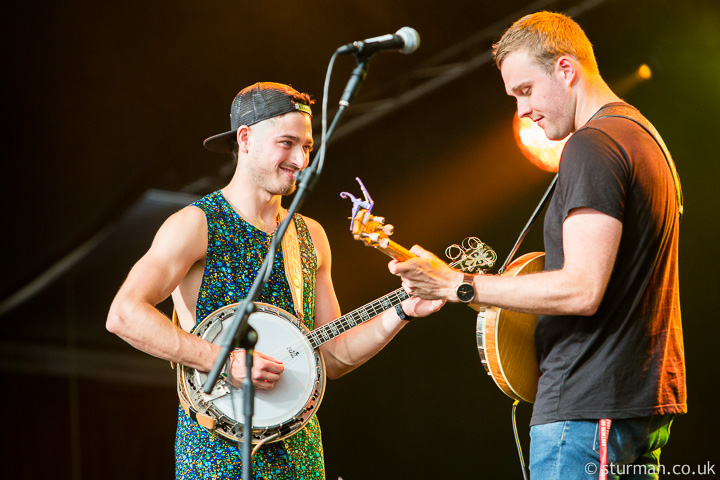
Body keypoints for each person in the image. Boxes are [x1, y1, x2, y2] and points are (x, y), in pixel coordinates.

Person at [388, 12, 686, 480]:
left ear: (566, 69)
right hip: (631, 405)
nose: (522, 111)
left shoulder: (593, 145)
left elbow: (581, 290)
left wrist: (456, 283)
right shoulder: (645, 139)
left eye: (526, 91)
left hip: (587, 411)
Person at [106, 82, 441, 479]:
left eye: (308, 147)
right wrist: (224, 361)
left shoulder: (310, 235)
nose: (301, 159)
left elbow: (331, 357)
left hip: (300, 452)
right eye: (287, 143)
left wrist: (402, 309)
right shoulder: (196, 224)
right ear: (245, 139)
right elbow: (124, 314)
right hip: (215, 455)